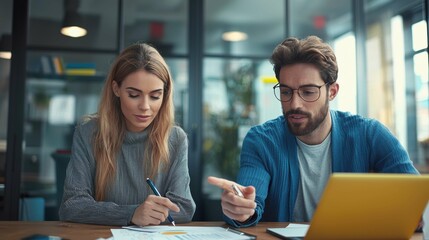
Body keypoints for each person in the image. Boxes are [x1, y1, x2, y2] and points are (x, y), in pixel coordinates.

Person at [207, 35, 419, 228]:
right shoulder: (261, 140)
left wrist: (417, 213)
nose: (294, 103)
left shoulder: (370, 134)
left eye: (308, 92)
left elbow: (417, 199)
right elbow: (250, 201)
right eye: (286, 91)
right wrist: (241, 210)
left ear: (332, 91)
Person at [59, 43, 196, 226]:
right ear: (116, 89)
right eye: (133, 95)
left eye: (155, 96)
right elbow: (72, 205)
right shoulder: (88, 133)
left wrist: (138, 214)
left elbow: (184, 208)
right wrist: (132, 213)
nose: (145, 106)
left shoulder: (176, 139)